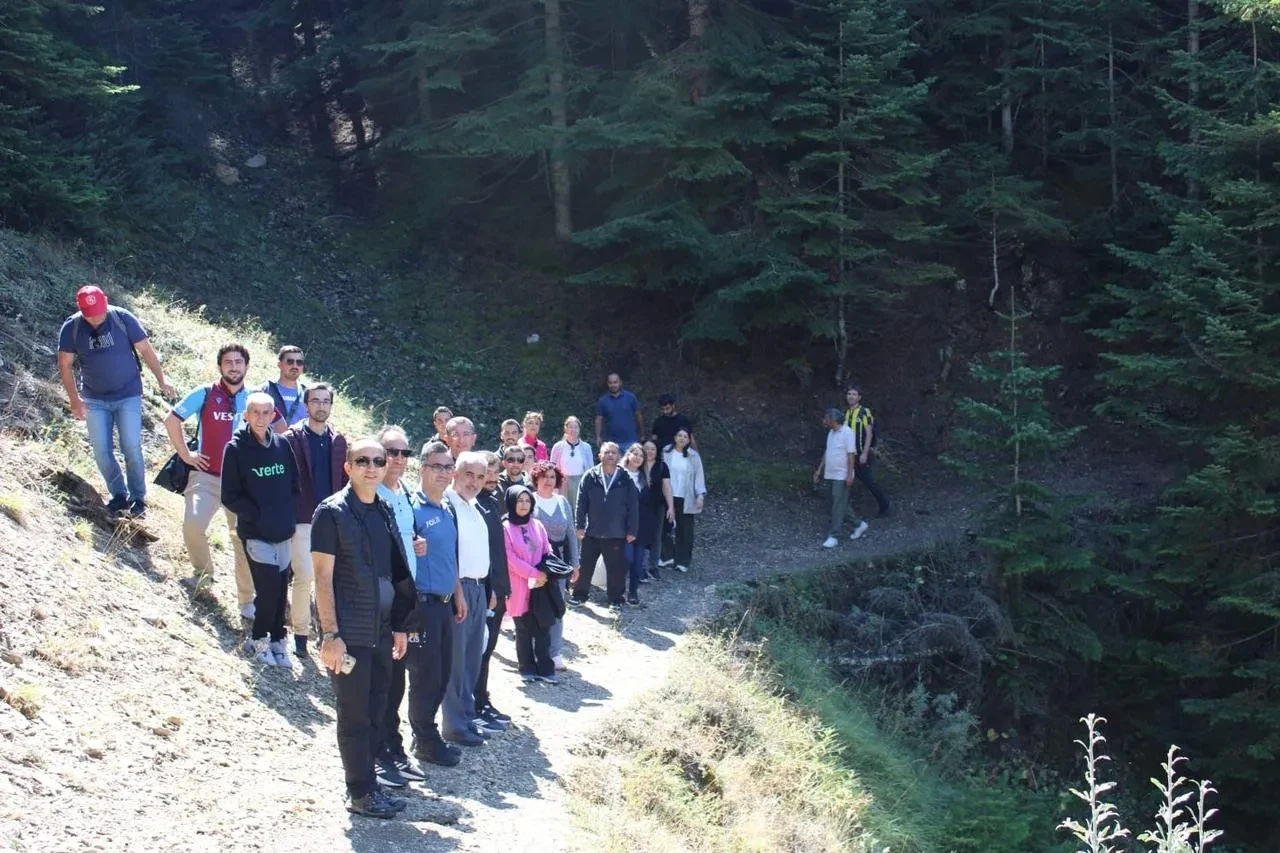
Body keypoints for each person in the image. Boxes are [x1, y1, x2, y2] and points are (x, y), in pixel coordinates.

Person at [312, 436, 416, 819]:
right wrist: (331, 635)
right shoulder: (332, 513)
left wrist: (401, 626)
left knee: (377, 713)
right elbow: (323, 578)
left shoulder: (384, 510)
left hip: (382, 631)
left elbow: (396, 573)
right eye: (362, 461)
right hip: (349, 635)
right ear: (348, 467)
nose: (371, 467)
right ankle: (359, 793)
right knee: (354, 717)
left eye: (378, 460)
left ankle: (369, 786)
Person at [56, 285, 176, 517]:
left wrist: (162, 379)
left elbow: (146, 350)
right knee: (101, 449)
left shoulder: (122, 318)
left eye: (99, 312)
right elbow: (65, 365)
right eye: (89, 314)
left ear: (106, 303)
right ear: (80, 310)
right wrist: (74, 400)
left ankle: (138, 498)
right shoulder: (72, 327)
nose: (95, 318)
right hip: (94, 398)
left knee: (131, 446)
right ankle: (119, 496)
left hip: (128, 394)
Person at [165, 343, 254, 621]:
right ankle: (203, 576)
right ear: (220, 366)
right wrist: (185, 454)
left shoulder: (255, 399)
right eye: (228, 362)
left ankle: (247, 601)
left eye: (239, 362)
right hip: (206, 475)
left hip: (242, 483)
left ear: (246, 367)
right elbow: (172, 420)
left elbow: (280, 429)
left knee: (243, 541)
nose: (234, 367)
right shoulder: (205, 393)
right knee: (192, 524)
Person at [220, 392, 300, 667]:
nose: (261, 418)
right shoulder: (235, 449)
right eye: (256, 412)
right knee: (266, 590)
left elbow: (294, 484)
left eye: (267, 413)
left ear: (273, 416)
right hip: (256, 533)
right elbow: (230, 496)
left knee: (279, 591)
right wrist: (259, 514)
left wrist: (286, 517)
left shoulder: (281, 445)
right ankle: (257, 639)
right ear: (246, 415)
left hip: (283, 532)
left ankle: (278, 639)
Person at [373, 426, 430, 788]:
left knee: (397, 681)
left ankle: (393, 749)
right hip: (381, 600)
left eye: (403, 452)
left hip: (405, 597)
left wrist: (416, 543)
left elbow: (403, 537)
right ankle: (379, 757)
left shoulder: (404, 492)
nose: (397, 458)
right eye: (390, 451)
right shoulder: (370, 492)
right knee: (380, 682)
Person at [404, 441, 466, 770]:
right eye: (437, 467)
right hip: (422, 604)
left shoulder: (447, 508)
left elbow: (449, 557)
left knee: (441, 673)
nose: (443, 473)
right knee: (426, 675)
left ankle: (427, 735)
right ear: (423, 469)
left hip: (444, 604)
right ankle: (424, 739)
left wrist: (457, 592)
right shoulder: (411, 508)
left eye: (447, 467)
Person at [283, 383, 348, 658]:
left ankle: (328, 633)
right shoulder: (291, 438)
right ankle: (300, 633)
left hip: (331, 521)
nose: (321, 406)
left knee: (330, 579)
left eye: (325, 401)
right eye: (315, 401)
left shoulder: (340, 442)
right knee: (305, 576)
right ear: (306, 405)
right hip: (301, 518)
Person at [442, 452, 493, 746]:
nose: (473, 482)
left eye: (479, 476)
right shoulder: (448, 504)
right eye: (468, 474)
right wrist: (458, 590)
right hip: (459, 588)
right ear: (455, 473)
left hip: (478, 588)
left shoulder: (474, 506)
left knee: (473, 657)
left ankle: (466, 716)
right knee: (457, 660)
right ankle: (453, 724)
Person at [472, 450, 513, 735]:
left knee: (488, 651)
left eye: (495, 470)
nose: (491, 475)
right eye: (486, 470)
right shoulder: (472, 503)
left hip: (499, 587)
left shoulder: (494, 499)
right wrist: (489, 589)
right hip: (484, 590)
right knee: (479, 651)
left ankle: (482, 699)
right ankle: (474, 705)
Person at [571, 442, 639, 610]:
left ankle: (616, 599)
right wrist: (579, 526)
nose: (610, 455)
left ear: (618, 457)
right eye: (606, 452)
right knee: (585, 566)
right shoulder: (590, 476)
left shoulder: (625, 478)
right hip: (592, 531)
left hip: (616, 532)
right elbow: (581, 503)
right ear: (599, 455)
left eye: (614, 452)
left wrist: (632, 530)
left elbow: (633, 506)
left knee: (616, 569)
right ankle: (579, 595)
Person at [503, 485, 558, 682]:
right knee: (523, 629)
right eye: (519, 501)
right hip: (518, 586)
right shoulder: (505, 527)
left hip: (540, 586)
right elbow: (509, 558)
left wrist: (546, 570)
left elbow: (546, 549)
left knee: (543, 628)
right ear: (511, 502)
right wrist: (533, 573)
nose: (524, 505)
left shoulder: (538, 525)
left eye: (527, 501)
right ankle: (526, 668)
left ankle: (546, 669)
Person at [531, 461, 579, 671]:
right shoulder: (528, 501)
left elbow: (571, 533)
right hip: (535, 562)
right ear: (536, 479)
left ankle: (555, 652)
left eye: (552, 477)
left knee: (557, 606)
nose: (548, 481)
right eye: (544, 476)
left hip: (558, 563)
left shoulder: (562, 502)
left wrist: (575, 564)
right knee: (533, 607)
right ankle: (533, 650)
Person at [815, 408, 868, 548]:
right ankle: (859, 524)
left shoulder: (847, 432)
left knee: (838, 505)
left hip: (842, 474)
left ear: (834, 420)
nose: (824, 421)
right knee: (837, 502)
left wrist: (849, 475)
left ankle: (834, 536)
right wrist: (819, 469)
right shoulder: (831, 433)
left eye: (827, 418)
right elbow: (828, 451)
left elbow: (851, 455)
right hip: (830, 473)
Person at [663, 428, 707, 573]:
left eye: (685, 437)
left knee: (685, 530)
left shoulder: (694, 456)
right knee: (664, 527)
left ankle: (683, 560)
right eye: (679, 435)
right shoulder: (666, 452)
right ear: (675, 437)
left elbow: (699, 476)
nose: (682, 438)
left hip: (685, 496)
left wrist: (700, 494)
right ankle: (667, 555)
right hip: (667, 495)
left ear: (689, 440)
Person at [844, 385, 892, 518]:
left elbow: (869, 433)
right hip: (848, 454)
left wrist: (865, 453)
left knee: (868, 481)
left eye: (854, 394)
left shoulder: (864, 412)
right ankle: (843, 508)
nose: (851, 396)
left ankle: (884, 504)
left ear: (859, 397)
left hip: (859, 454)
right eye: (849, 394)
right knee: (844, 478)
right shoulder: (846, 413)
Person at [638, 439, 674, 583]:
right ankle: (640, 568)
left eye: (653, 449)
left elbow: (667, 488)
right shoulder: (638, 464)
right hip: (640, 506)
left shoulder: (662, 466)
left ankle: (653, 566)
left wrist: (671, 507)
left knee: (656, 536)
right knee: (640, 536)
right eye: (646, 448)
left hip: (658, 506)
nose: (650, 451)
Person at [621, 445, 648, 604]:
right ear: (628, 455)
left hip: (642, 526)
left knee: (638, 562)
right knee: (627, 558)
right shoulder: (620, 474)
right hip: (623, 526)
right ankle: (618, 590)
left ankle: (633, 592)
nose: (638, 458)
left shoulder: (645, 477)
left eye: (641, 456)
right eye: (635, 454)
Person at [549, 416, 591, 516]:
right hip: (563, 482)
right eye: (571, 427)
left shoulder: (586, 447)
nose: (573, 430)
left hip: (579, 481)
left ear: (579, 429)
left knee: (579, 510)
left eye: (576, 427)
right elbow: (552, 467)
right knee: (564, 511)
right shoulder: (558, 447)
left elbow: (590, 468)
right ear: (565, 428)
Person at [261, 345, 308, 434]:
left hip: (299, 446)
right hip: (271, 444)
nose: (295, 365)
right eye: (290, 362)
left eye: (299, 362)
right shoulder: (265, 389)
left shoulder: (308, 393)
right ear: (279, 365)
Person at [595, 372, 644, 448]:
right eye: (610, 382)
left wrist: (642, 435)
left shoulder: (631, 397)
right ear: (607, 383)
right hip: (611, 443)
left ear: (620, 382)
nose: (613, 385)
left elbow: (639, 417)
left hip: (630, 441)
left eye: (615, 382)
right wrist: (598, 436)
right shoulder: (603, 401)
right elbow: (599, 420)